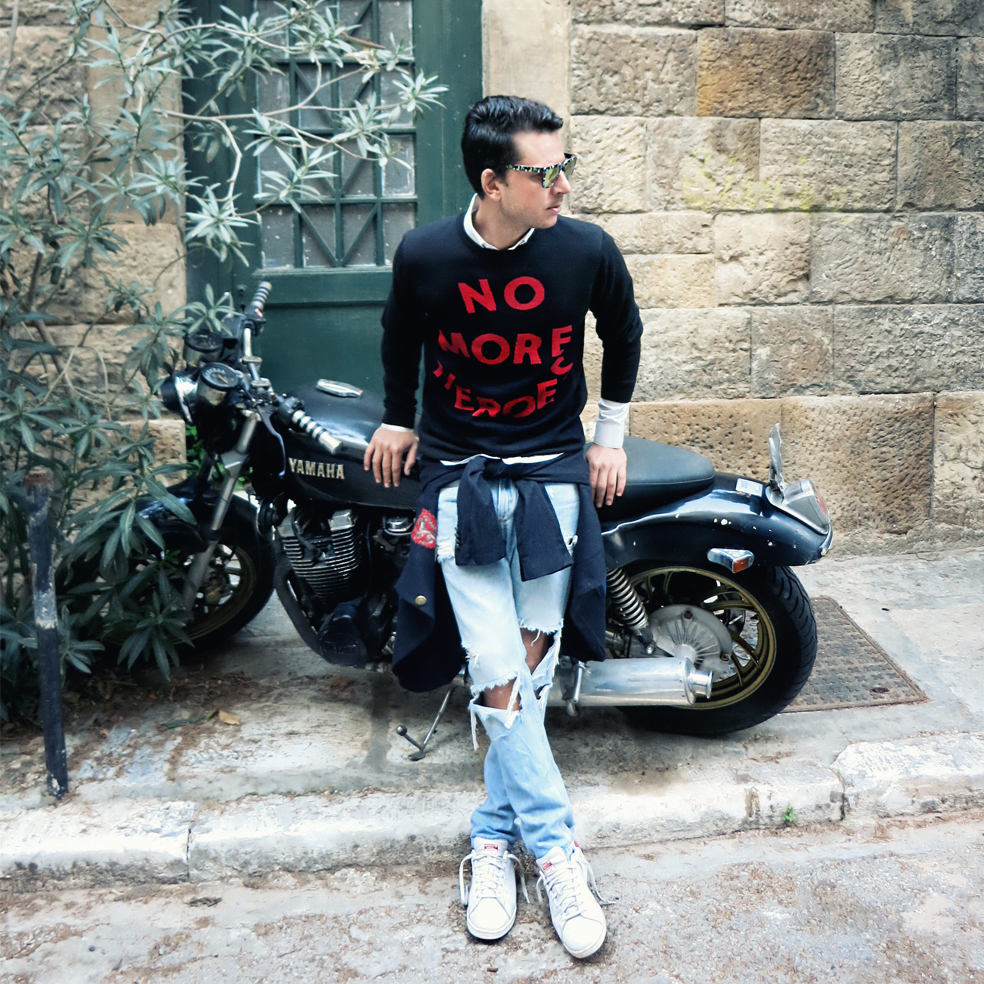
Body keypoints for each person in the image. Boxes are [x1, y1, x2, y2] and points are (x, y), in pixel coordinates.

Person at [363, 95, 642, 959]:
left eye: (566, 166)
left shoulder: (586, 250)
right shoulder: (426, 254)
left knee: (528, 662)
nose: (563, 185)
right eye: (543, 172)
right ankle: (556, 853)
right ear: (492, 182)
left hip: (553, 475)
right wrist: (398, 417)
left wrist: (609, 436)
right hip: (462, 482)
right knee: (494, 666)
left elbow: (623, 332)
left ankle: (492, 835)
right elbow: (399, 339)